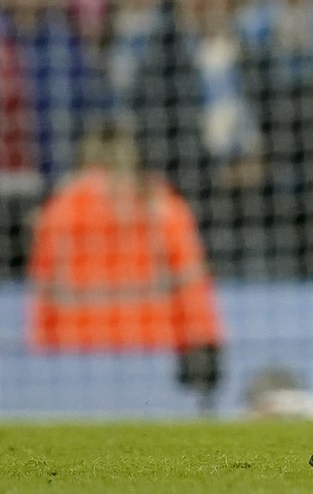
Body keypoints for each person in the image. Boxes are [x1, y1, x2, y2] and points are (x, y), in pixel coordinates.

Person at [27, 123, 224, 410]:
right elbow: (193, 288)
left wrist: (41, 355)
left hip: (75, 354)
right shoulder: (162, 205)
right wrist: (206, 347)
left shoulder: (59, 209)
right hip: (151, 347)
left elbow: (42, 293)